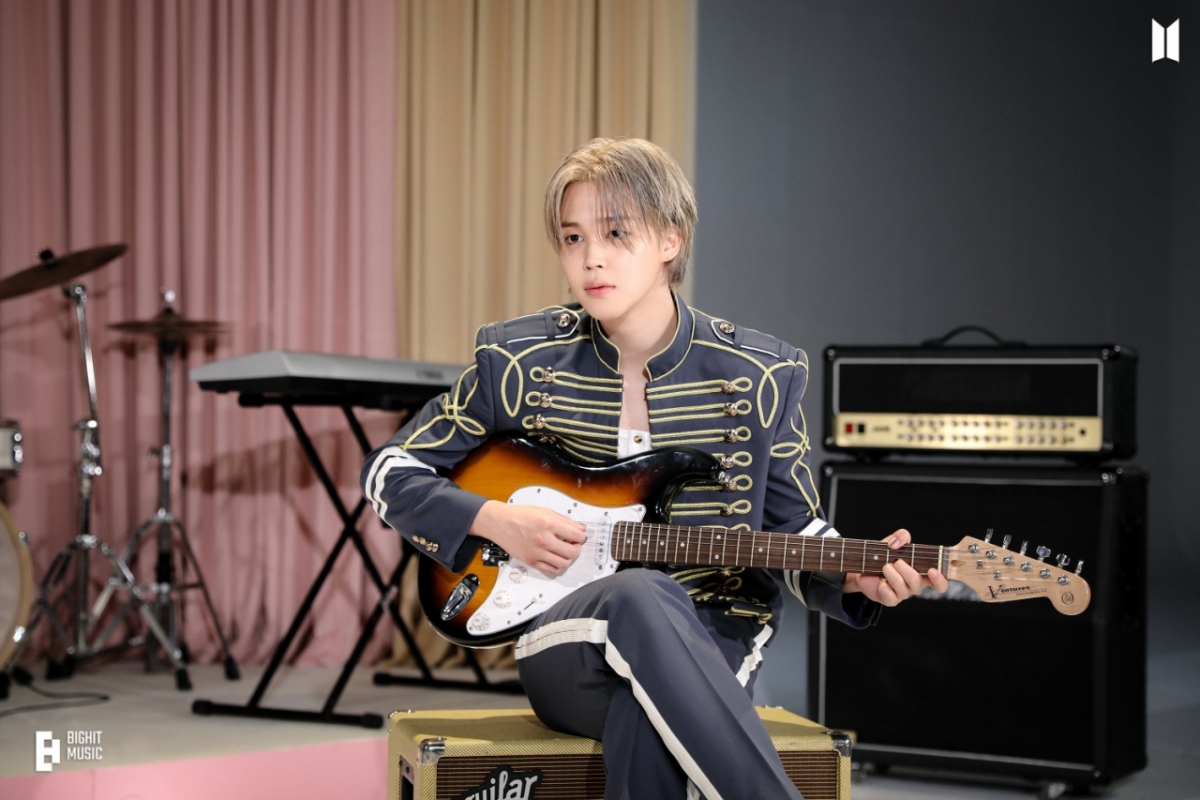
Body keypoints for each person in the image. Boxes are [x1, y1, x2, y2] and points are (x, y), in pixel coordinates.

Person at [362, 137, 948, 800]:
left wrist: (851, 578)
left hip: (717, 634)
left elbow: (792, 528)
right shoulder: (519, 361)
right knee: (641, 595)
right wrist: (496, 520)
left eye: (616, 233)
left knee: (647, 716)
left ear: (672, 238)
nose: (591, 257)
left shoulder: (761, 375)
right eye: (573, 237)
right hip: (566, 642)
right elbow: (390, 471)